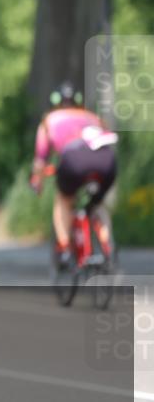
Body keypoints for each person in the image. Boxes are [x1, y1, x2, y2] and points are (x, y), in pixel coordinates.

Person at [30, 81, 118, 268]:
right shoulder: (92, 117)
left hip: (74, 160)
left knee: (63, 199)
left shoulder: (49, 119)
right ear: (78, 101)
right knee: (97, 204)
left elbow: (40, 160)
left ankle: (64, 249)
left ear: (55, 101)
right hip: (106, 160)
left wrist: (37, 181)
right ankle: (107, 247)